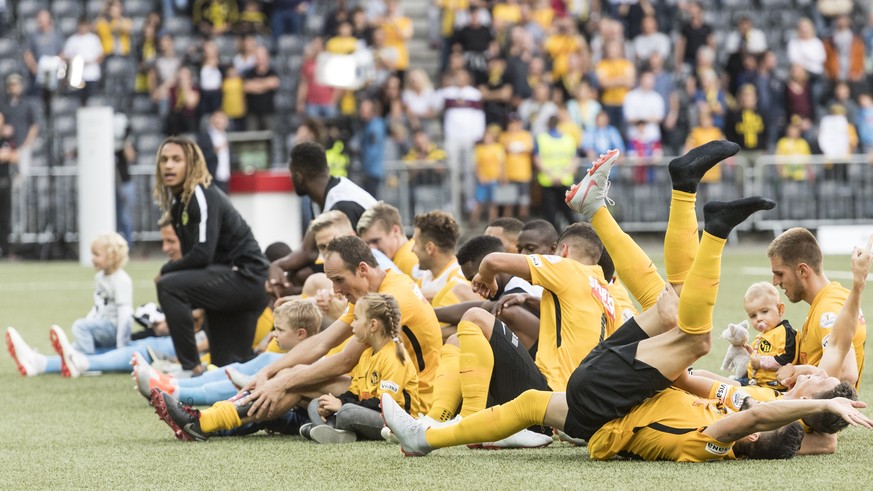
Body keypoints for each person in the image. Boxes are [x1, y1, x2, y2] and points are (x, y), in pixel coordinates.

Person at [382, 145, 872, 461]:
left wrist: (815, 403)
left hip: (607, 400)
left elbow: (763, 419)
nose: (809, 372)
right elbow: (732, 397)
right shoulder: (753, 396)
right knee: (672, 309)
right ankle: (425, 436)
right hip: (613, 398)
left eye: (814, 383)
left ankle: (709, 224)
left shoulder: (728, 433)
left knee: (692, 332)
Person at [150, 236, 441, 440]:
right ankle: (205, 421)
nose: (337, 290)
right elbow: (324, 341)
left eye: (339, 280)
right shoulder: (375, 290)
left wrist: (282, 380)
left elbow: (342, 359)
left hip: (407, 406)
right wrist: (270, 371)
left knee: (295, 381)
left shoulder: (392, 296)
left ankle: (204, 418)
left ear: (363, 269)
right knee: (289, 376)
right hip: (370, 389)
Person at [153, 136, 269, 376]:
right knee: (229, 370)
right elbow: (198, 264)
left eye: (176, 159)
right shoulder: (179, 205)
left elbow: (202, 254)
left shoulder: (200, 194)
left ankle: (190, 368)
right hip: (225, 280)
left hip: (246, 279)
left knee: (169, 286)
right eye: (164, 160)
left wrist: (166, 270)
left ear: (191, 163)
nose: (168, 166)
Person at [301, 293, 420, 443]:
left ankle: (327, 428)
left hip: (397, 422)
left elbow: (386, 405)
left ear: (373, 325)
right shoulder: (366, 355)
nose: (352, 324)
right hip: (365, 412)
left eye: (356, 319)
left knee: (347, 412)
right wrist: (335, 402)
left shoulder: (394, 355)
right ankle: (335, 432)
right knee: (317, 403)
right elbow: (354, 393)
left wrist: (341, 405)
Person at [268, 142, 376, 297]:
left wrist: (296, 292)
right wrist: (276, 266)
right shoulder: (323, 195)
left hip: (377, 272)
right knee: (294, 275)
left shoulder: (342, 204)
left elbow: (350, 268)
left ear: (298, 176)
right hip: (361, 268)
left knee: (302, 277)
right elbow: (308, 250)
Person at [767, 227, 866, 387]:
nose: (775, 282)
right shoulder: (830, 298)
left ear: (802, 270)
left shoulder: (828, 310)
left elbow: (846, 373)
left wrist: (799, 371)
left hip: (820, 410)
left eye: (780, 274)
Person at [740, 282, 798, 389]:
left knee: (725, 388)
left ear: (780, 309)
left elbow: (787, 359)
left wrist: (760, 362)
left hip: (772, 387)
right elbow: (768, 352)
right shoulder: (763, 335)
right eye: (753, 315)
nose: (758, 318)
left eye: (764, 311)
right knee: (722, 383)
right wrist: (753, 353)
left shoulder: (785, 332)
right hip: (754, 382)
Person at [534, 115, 579, 230]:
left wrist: (552, 175)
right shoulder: (568, 139)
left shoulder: (541, 138)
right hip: (560, 180)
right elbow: (575, 160)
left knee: (554, 214)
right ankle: (574, 235)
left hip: (549, 179)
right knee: (566, 213)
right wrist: (563, 174)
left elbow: (537, 159)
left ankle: (555, 238)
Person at [356, 202, 419, 279]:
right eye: (367, 244)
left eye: (375, 241)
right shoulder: (405, 256)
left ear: (395, 231)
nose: (371, 249)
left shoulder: (409, 259)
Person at [197, 111, 231, 193]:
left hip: (225, 179)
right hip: (210, 179)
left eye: (222, 118)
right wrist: (214, 151)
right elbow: (199, 157)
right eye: (217, 118)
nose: (219, 121)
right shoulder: (204, 137)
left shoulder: (227, 136)